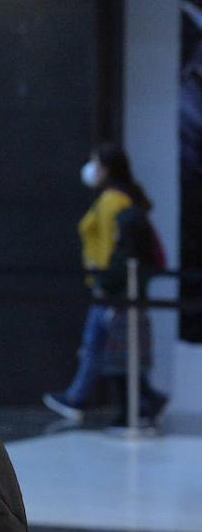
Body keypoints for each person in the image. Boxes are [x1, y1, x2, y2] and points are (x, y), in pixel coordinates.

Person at [43, 144, 168, 426]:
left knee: (102, 347)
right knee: (104, 347)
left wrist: (107, 280)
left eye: (94, 163)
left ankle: (81, 398)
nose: (89, 169)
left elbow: (116, 246)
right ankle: (143, 398)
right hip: (109, 285)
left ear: (107, 168)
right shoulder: (117, 198)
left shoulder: (113, 201)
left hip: (111, 287)